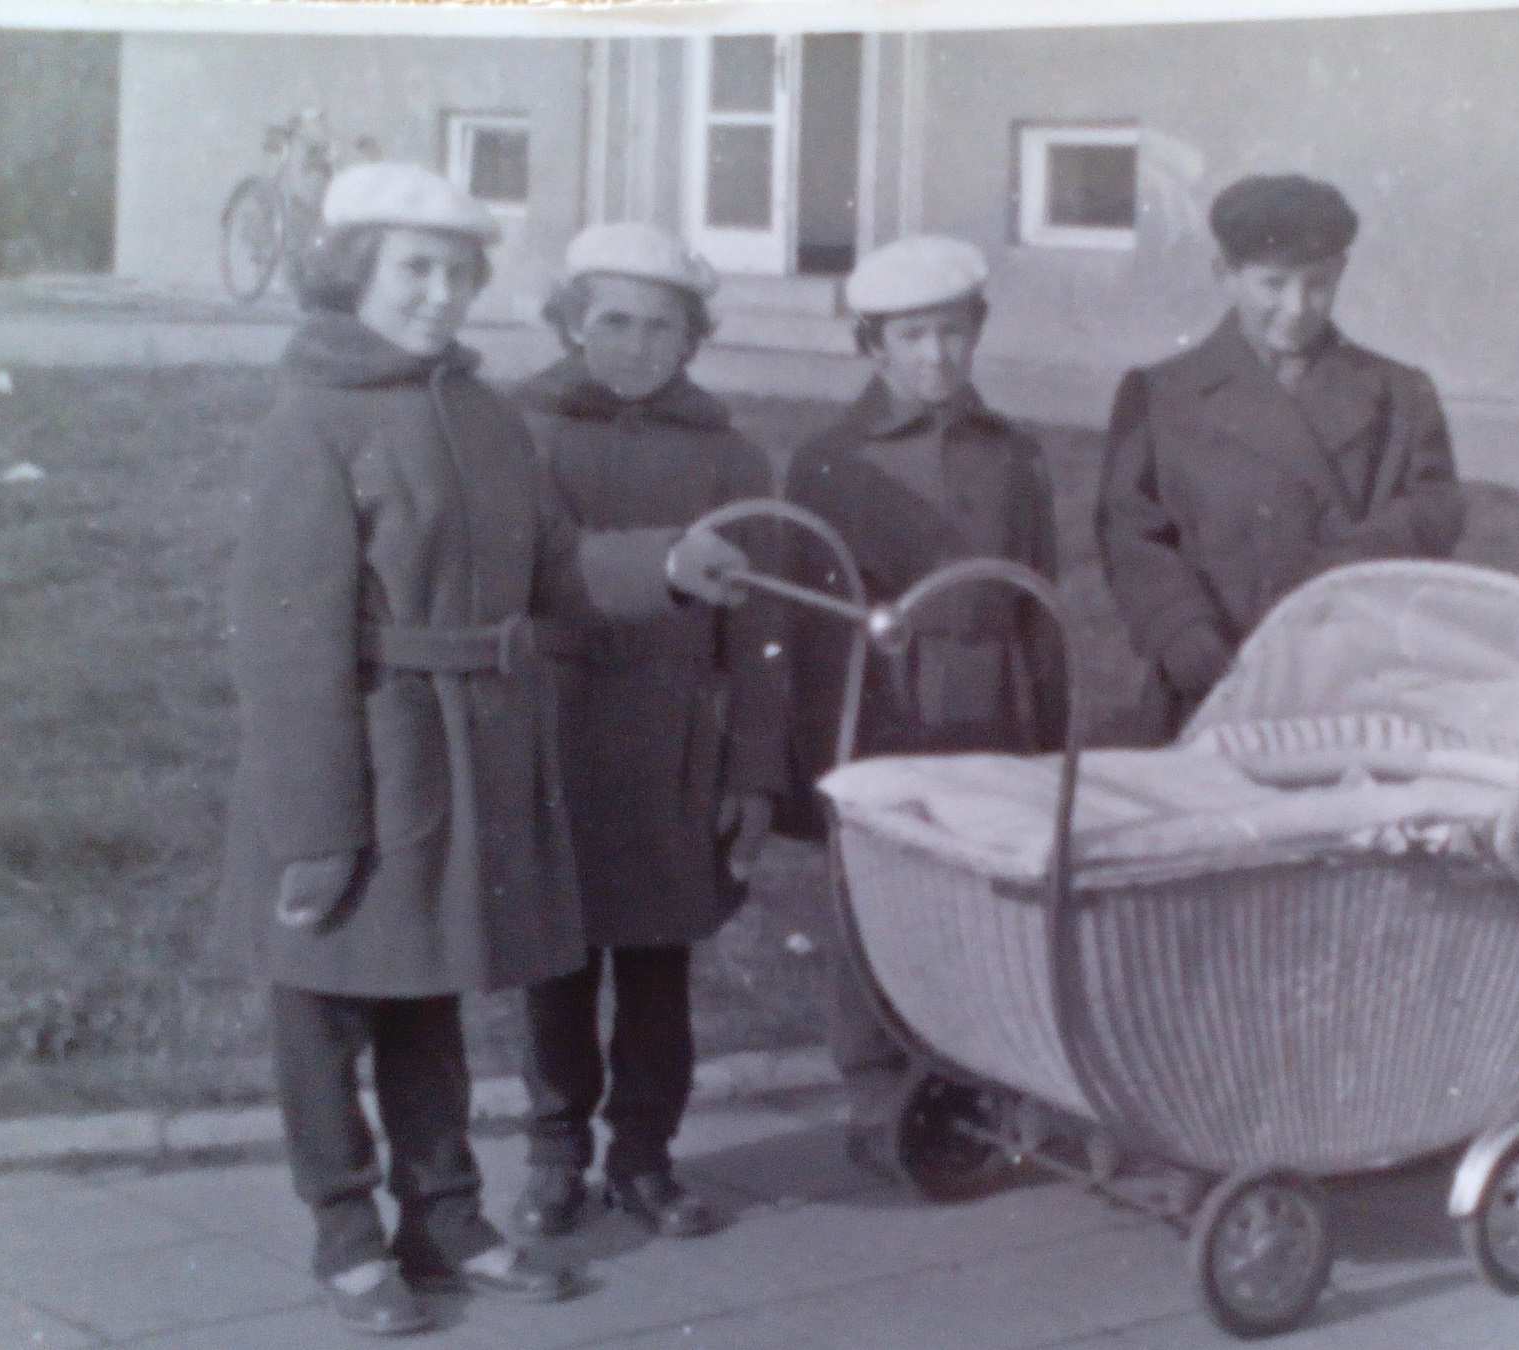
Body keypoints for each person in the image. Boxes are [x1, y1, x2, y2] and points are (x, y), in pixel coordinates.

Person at [220, 164, 745, 1337]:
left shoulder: (481, 413)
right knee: (322, 1005)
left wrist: (666, 565)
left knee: (424, 993)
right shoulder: (310, 420)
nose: (441, 295)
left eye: (460, 273)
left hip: (450, 753)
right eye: (415, 269)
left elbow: (557, 566)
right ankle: (346, 1235)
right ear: (352, 272)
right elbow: (288, 646)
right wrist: (314, 829)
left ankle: (445, 1219)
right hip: (348, 755)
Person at [507, 223, 786, 1242]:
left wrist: (753, 770)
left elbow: (760, 631)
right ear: (571, 324)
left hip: (673, 744)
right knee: (555, 958)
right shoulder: (520, 434)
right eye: (612, 322)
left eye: (660, 327)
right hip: (552, 734)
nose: (634, 346)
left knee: (658, 965)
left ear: (693, 338)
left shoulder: (729, 456)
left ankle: (644, 1154)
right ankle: (553, 1152)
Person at [776, 235, 1067, 1167]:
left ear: (976, 332)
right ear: (872, 346)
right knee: (875, 898)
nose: (936, 356)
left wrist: (1047, 733)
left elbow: (1038, 600)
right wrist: (822, 753)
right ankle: (877, 1095)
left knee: (981, 898)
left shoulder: (1012, 454)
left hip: (993, 706)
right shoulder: (832, 459)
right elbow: (808, 621)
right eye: (911, 337)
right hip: (882, 709)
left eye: (951, 333)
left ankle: (976, 1088)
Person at [1096, 173, 1464, 741]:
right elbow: (1130, 534)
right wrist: (1183, 633)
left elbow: (1433, 509)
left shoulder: (1399, 394)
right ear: (1226, 275)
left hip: (1350, 678)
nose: (1296, 308)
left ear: (1340, 273)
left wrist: (1337, 578)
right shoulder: (1161, 395)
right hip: (1209, 682)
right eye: (1273, 284)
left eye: (1317, 284)